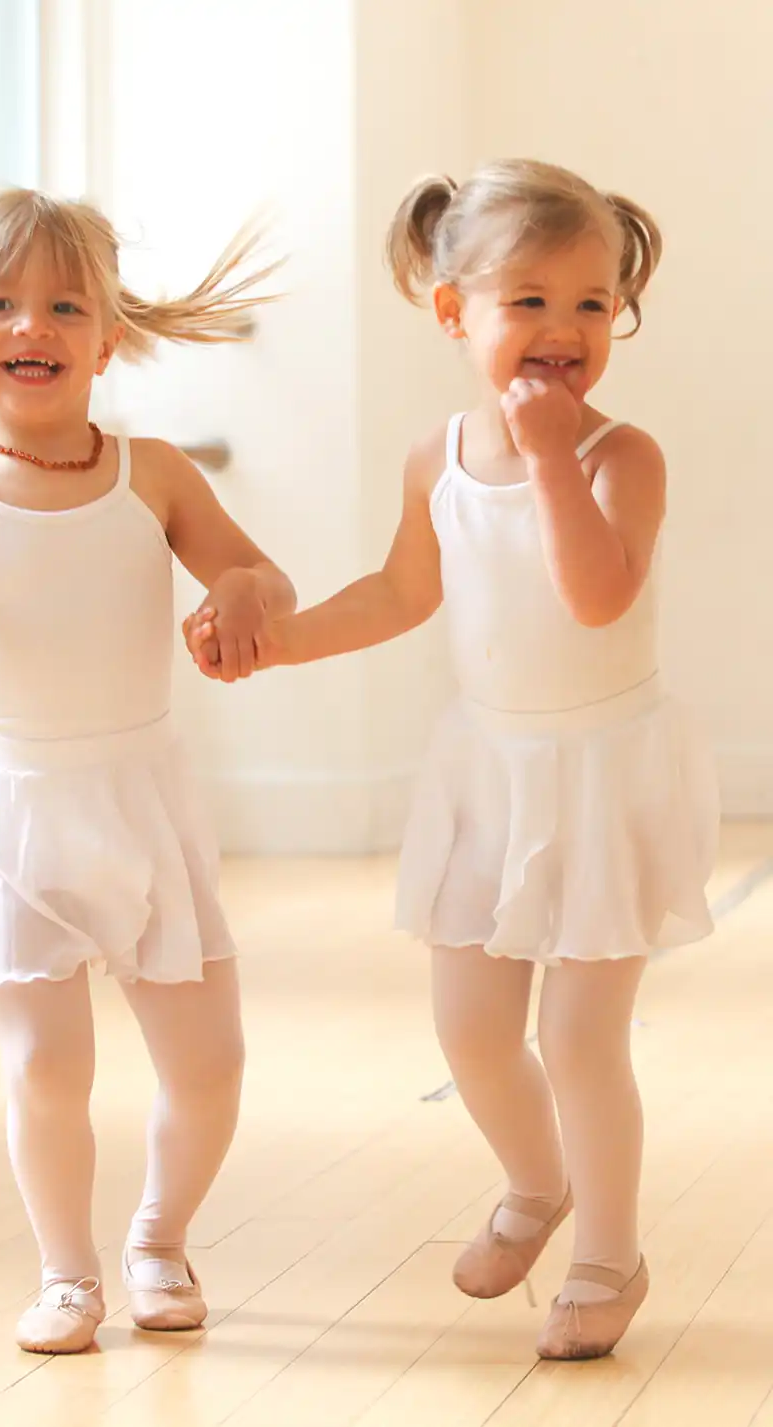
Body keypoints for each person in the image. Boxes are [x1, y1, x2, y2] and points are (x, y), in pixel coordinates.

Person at [185, 159, 718, 1359]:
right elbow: (398, 591)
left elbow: (595, 598)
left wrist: (545, 462)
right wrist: (277, 644)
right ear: (453, 310)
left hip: (602, 775)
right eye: (528, 300)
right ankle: (538, 1182)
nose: (565, 330)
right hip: (489, 771)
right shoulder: (436, 457)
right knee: (472, 1030)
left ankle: (609, 1255)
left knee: (582, 1035)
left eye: (593, 303)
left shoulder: (619, 459)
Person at [0, 187, 294, 1355]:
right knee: (47, 1066)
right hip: (11, 815)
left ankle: (159, 1236)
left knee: (210, 1062)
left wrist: (247, 596)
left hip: (139, 801)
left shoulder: (152, 474)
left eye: (64, 302)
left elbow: (256, 573)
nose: (32, 323)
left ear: (109, 336)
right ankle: (68, 1273)